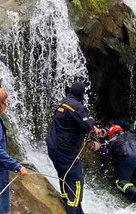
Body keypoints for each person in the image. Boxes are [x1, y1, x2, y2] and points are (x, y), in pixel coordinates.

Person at [46, 81, 100, 214]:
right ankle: (72, 210)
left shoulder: (63, 102)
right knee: (76, 181)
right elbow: (87, 125)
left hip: (53, 147)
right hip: (66, 151)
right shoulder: (76, 106)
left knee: (64, 175)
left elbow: (73, 122)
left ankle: (66, 202)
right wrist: (92, 121)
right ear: (81, 94)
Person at [99, 124, 136, 203]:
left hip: (127, 160)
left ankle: (134, 195)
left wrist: (102, 168)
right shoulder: (131, 134)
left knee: (121, 181)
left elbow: (104, 155)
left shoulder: (111, 141)